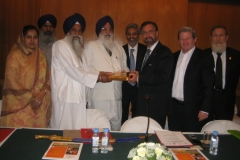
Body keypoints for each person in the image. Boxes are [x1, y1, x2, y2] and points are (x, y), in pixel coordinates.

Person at [50, 13, 111, 129]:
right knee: (64, 131)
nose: (77, 34)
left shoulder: (79, 50)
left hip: (79, 98)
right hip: (65, 98)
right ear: (68, 31)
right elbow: (73, 71)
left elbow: (87, 68)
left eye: (80, 31)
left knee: (78, 130)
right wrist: (98, 78)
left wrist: (100, 73)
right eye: (74, 30)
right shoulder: (60, 46)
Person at [0, 25, 51, 128]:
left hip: (39, 105)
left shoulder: (41, 56)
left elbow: (47, 79)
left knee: (37, 139)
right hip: (19, 106)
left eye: (35, 37)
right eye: (28, 37)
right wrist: (31, 97)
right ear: (22, 38)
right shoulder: (14, 56)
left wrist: (42, 94)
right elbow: (11, 80)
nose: (32, 40)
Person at [84, 15, 129, 131]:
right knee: (99, 131)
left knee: (116, 131)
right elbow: (86, 68)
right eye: (104, 28)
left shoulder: (119, 48)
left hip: (116, 97)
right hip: (99, 97)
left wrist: (125, 73)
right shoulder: (91, 46)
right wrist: (100, 74)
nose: (107, 32)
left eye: (110, 29)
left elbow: (125, 67)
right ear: (99, 31)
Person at [168, 27, 215, 132]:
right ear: (178, 41)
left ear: (195, 39)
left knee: (191, 141)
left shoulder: (204, 57)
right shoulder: (173, 56)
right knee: (174, 139)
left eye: (188, 38)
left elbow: (209, 85)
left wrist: (205, 109)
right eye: (182, 39)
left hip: (194, 109)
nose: (185, 41)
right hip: (174, 109)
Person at [128, 21, 173, 128]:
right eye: (144, 33)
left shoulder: (165, 52)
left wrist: (139, 78)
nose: (147, 35)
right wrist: (136, 73)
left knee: (154, 140)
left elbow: (162, 77)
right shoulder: (143, 51)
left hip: (155, 107)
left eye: (150, 32)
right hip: (140, 105)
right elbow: (147, 72)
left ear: (157, 33)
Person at [204, 25, 240, 120]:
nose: (218, 39)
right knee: (205, 127)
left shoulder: (236, 56)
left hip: (226, 100)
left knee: (224, 128)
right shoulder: (203, 55)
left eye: (221, 35)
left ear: (227, 37)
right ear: (211, 38)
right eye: (215, 35)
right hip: (208, 98)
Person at [122, 23, 146, 124]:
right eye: (129, 34)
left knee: (138, 114)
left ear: (138, 35)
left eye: (134, 34)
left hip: (139, 87)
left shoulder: (145, 50)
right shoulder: (120, 49)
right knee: (122, 113)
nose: (131, 37)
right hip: (124, 87)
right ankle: (122, 133)